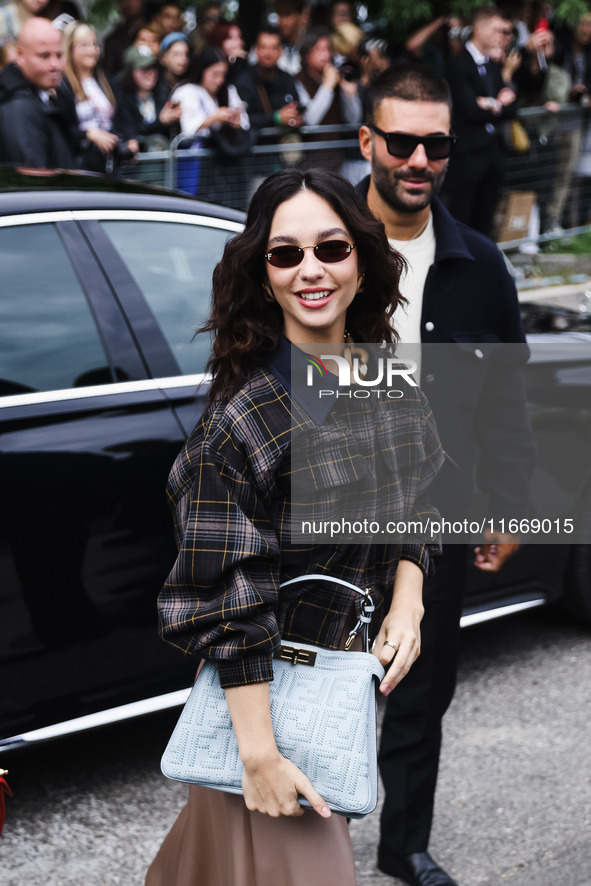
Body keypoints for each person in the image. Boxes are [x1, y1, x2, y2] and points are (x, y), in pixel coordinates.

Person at [146, 166, 444, 886]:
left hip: (337, 700)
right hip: (267, 717)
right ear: (262, 271)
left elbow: (424, 493)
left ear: (361, 259)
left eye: (331, 248)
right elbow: (225, 595)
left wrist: (409, 594)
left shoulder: (378, 373)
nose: (311, 270)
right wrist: (258, 757)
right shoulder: (243, 420)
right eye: (286, 254)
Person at [358, 64, 534, 886]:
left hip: (437, 512)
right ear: (368, 143)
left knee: (423, 689)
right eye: (401, 141)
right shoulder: (319, 249)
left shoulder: (481, 266)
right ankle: (300, 842)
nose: (417, 159)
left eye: (434, 144)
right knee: (314, 679)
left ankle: (404, 844)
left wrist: (507, 503)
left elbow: (504, 396)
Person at [444, 5, 518, 236]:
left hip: (494, 153)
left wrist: (489, 103)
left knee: (485, 220)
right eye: (497, 30)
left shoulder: (494, 65)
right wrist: (499, 103)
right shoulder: (457, 65)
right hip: (468, 155)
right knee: (462, 217)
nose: (502, 37)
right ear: (479, 29)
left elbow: (513, 108)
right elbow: (470, 111)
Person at [172, 45, 250, 201]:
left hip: (224, 164)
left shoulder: (227, 90)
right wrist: (214, 118)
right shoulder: (187, 91)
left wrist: (234, 119)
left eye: (223, 75)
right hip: (195, 165)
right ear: (202, 70)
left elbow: (245, 122)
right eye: (214, 74)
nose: (219, 80)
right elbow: (188, 129)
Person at [61, 20, 136, 172]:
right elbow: (61, 126)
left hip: (109, 163)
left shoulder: (106, 81)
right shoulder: (63, 85)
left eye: (95, 44)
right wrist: (89, 134)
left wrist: (130, 138)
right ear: (70, 49)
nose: (92, 50)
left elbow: (123, 115)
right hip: (79, 164)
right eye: (84, 45)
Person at [0, 17, 75, 167]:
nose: (54, 65)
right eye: (44, 56)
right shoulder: (19, 108)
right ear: (20, 55)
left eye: (59, 55)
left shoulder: (48, 94)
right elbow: (32, 180)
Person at [113, 44, 181, 152]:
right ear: (130, 72)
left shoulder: (163, 95)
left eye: (153, 68)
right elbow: (130, 131)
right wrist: (160, 121)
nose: (150, 74)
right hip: (134, 165)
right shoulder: (121, 98)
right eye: (144, 68)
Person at [101, 0, 145, 78]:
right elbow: (109, 75)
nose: (129, 3)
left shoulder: (154, 33)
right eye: (123, 0)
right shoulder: (112, 40)